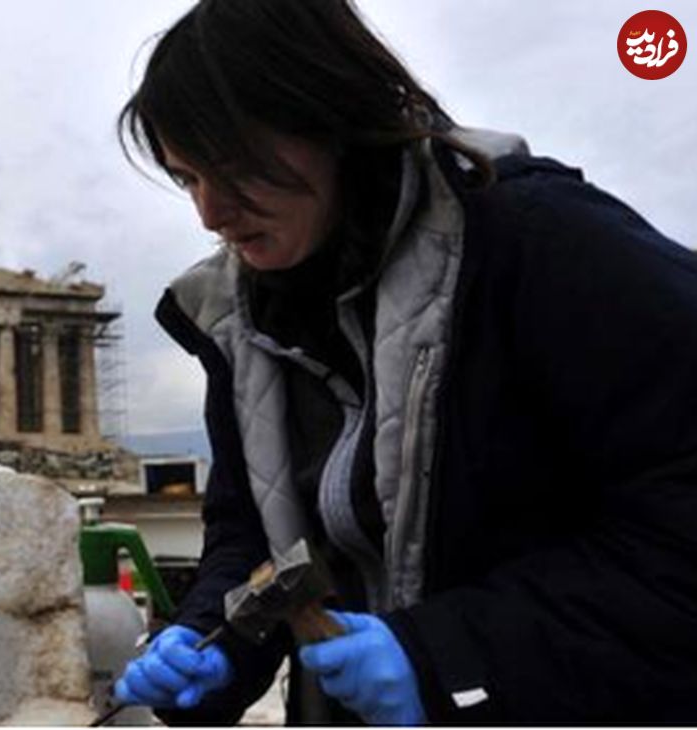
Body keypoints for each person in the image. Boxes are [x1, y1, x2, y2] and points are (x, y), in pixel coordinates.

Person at [111, 0, 697, 724]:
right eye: (186, 178)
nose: (209, 212)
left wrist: (444, 658)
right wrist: (210, 639)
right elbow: (256, 544)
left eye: (233, 167)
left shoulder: (542, 246)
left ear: (330, 116)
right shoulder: (242, 326)